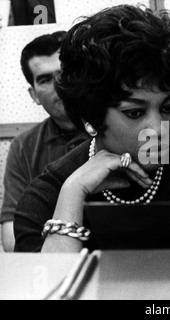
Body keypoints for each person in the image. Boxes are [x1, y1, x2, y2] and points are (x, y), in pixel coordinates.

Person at [13, 5, 170, 253]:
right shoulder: (48, 194)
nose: (159, 129)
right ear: (91, 115)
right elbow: (50, 289)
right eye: (135, 113)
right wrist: (74, 192)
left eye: (168, 107)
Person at [0, 32, 88, 252]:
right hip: (46, 267)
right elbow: (13, 241)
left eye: (64, 73)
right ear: (34, 95)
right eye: (45, 79)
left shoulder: (112, 130)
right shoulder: (23, 146)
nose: (58, 85)